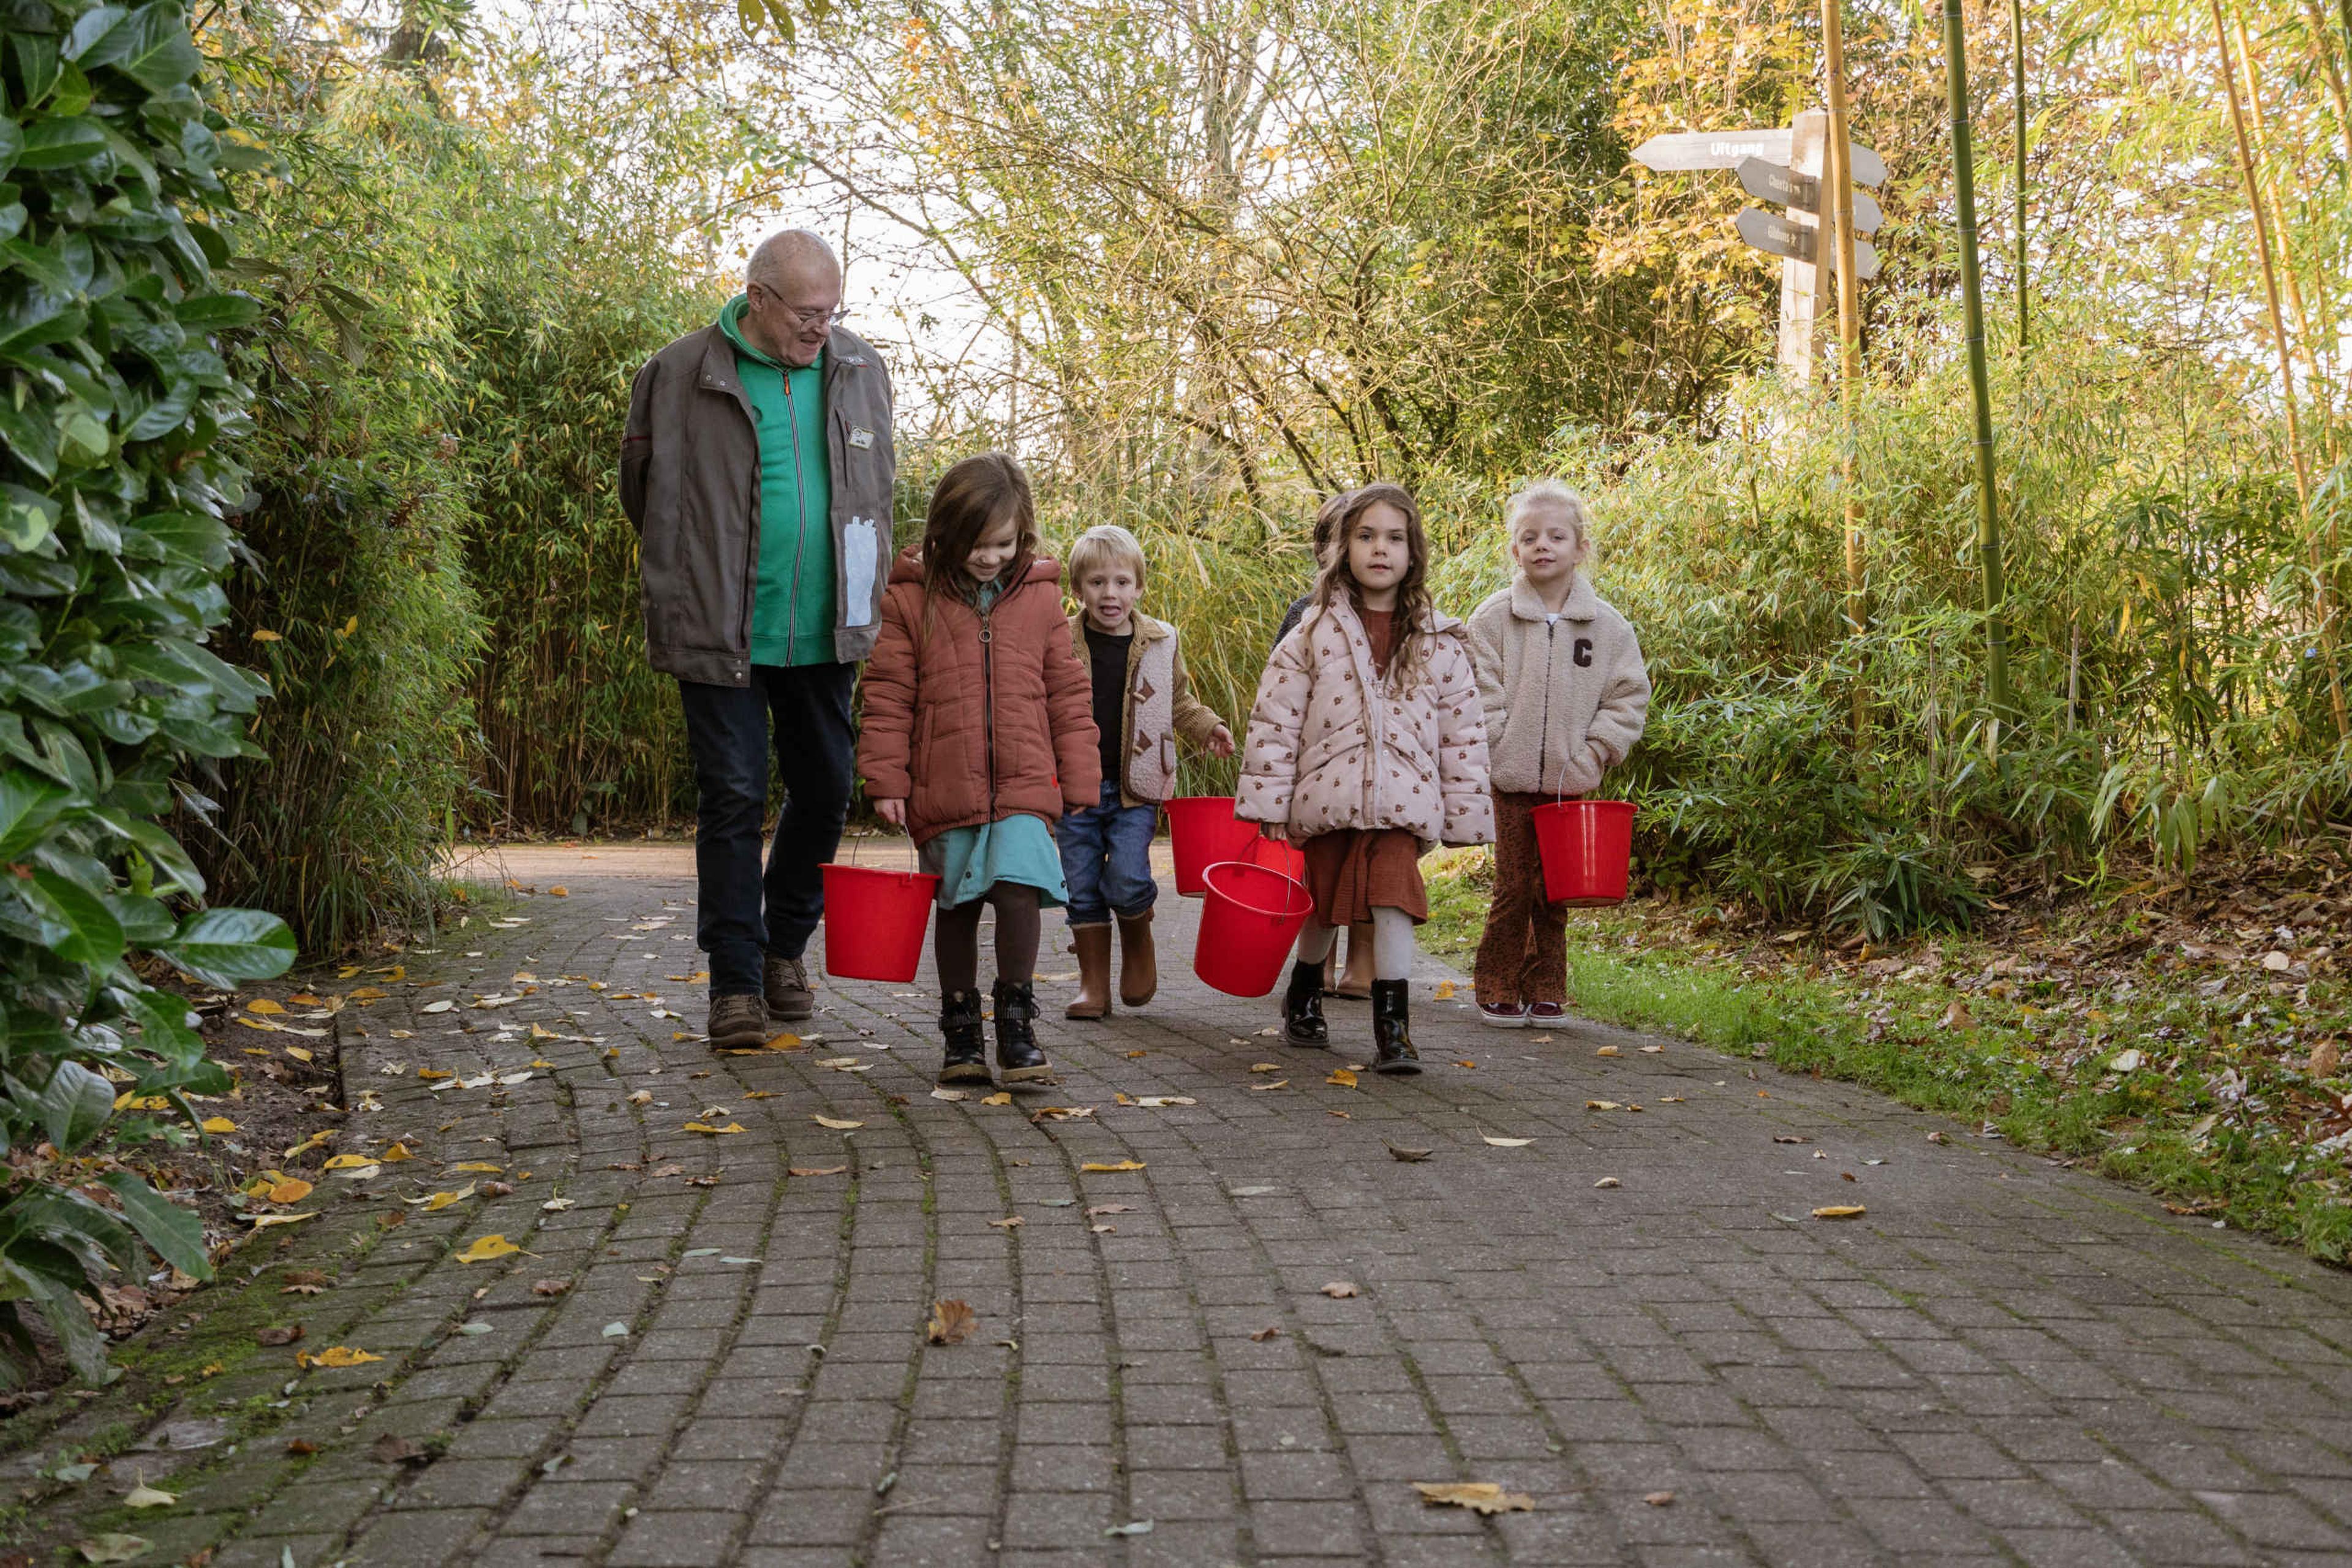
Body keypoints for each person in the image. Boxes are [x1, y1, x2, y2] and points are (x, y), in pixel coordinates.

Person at [619, 229, 895, 1051]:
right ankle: (736, 982)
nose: (822, 326)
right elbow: (642, 495)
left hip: (827, 629)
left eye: (832, 311)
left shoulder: (861, 369)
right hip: (718, 624)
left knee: (827, 789)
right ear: (759, 299)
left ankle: (784, 948)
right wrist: (695, 571)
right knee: (733, 796)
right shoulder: (678, 373)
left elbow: (876, 488)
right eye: (808, 312)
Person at [857, 454, 1100, 1087]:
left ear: (1023, 535)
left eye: (1004, 544)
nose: (990, 557)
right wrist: (887, 779)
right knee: (957, 905)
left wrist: (1079, 773)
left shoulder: (1040, 598)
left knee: (1019, 891)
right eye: (976, 544)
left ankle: (1017, 1026)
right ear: (946, 532)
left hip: (1024, 781)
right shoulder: (911, 598)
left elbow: (1067, 691)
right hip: (946, 783)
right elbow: (889, 693)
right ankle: (961, 1031)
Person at [1237, 483, 1492, 1074]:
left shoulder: (1439, 642)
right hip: (1329, 795)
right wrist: (1269, 803)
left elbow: (1462, 734)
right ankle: (1305, 989)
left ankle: (1393, 1027)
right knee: (1325, 905)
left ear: (1413, 552)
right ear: (1343, 549)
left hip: (1404, 800)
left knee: (1394, 901)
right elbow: (1276, 720)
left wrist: (1465, 814)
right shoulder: (1311, 634)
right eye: (1366, 536)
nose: (1381, 549)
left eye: (1395, 538)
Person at [1466, 481, 1651, 1027]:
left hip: (1572, 785)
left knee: (1555, 891)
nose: (1542, 545)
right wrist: (1498, 745)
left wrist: (1596, 752)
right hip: (1511, 780)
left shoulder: (1608, 627)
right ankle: (1496, 984)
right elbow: (1477, 690)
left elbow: (1628, 696)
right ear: (1515, 550)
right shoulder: (1493, 619)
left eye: (1556, 536)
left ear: (1580, 548)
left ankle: (1547, 988)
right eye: (1530, 538)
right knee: (1513, 887)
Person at [1056, 524, 1235, 1020]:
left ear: (1139, 587)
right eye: (1097, 583)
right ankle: (1093, 986)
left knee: (1128, 877)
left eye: (1121, 582)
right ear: (1078, 589)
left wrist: (1210, 728)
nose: (1109, 594)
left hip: (1137, 788)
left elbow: (1178, 701)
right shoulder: (1060, 640)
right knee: (1081, 885)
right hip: (1075, 788)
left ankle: (1138, 941)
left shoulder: (1160, 641)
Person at [1268, 492, 1376, 1001]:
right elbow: (1278, 694)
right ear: (1322, 550)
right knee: (1323, 865)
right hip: (1320, 763)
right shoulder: (1303, 613)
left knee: (1373, 862)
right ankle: (1319, 964)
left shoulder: (1395, 613)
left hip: (1376, 764)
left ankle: (1364, 960)